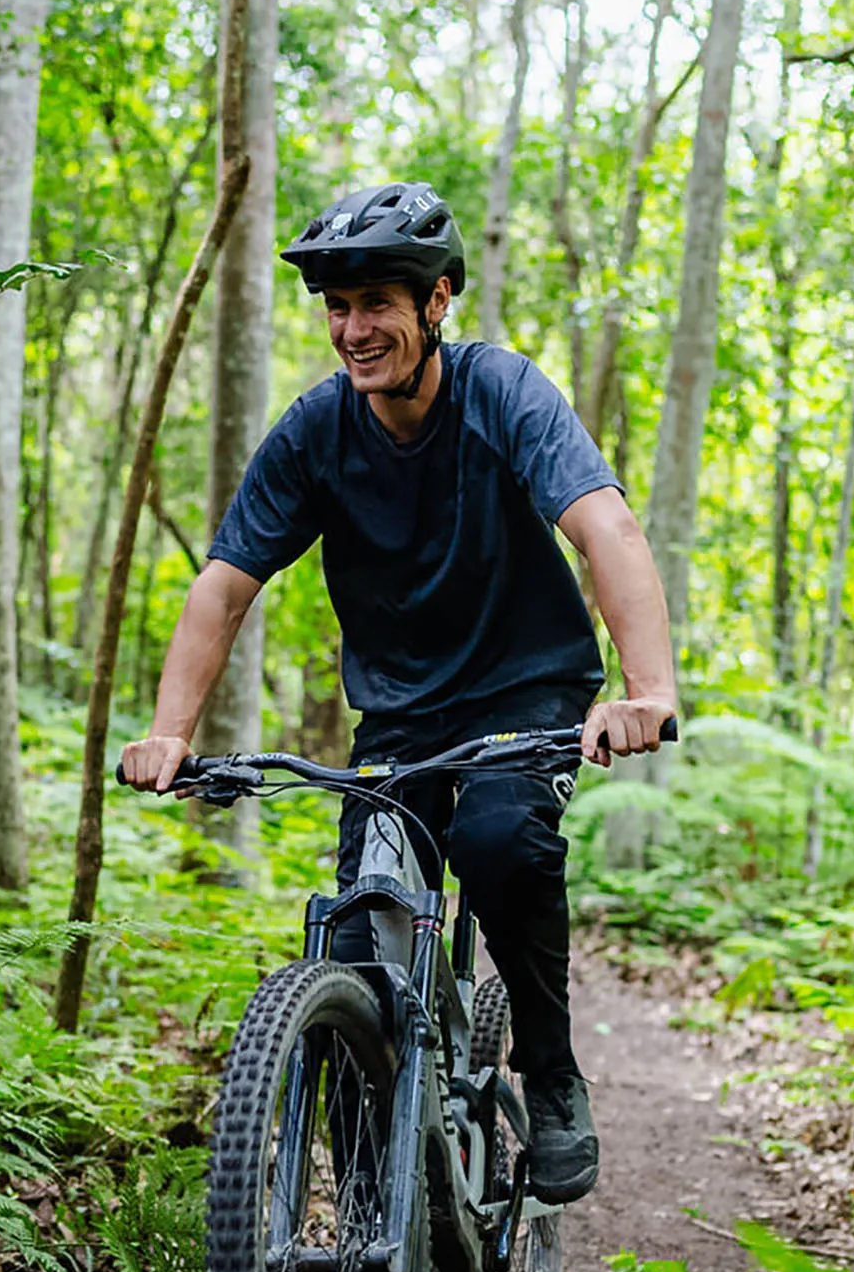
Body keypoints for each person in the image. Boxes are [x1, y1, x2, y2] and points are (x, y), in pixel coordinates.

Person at [122, 181, 677, 1207]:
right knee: (348, 943)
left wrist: (646, 690)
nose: (353, 328)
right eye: (337, 306)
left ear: (438, 302)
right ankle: (369, 1231)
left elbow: (607, 529)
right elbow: (225, 584)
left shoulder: (503, 393)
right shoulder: (316, 432)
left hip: (527, 691)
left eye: (377, 300)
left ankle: (550, 1077)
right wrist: (169, 732)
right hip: (404, 716)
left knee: (502, 846)